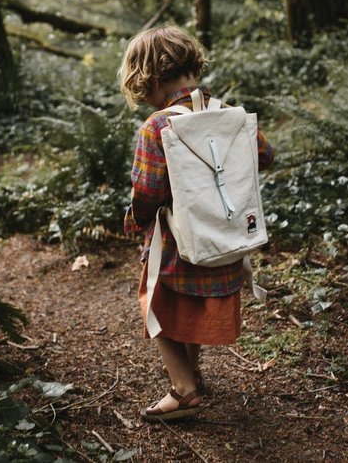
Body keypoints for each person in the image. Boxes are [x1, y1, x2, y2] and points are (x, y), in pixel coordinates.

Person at [118, 25, 275, 422]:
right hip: (225, 238)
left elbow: (148, 190)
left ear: (150, 79)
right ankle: (194, 373)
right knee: (186, 305)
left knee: (156, 304)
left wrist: (134, 219)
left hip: (176, 241)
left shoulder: (157, 126)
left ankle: (183, 390)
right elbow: (266, 155)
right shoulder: (230, 115)